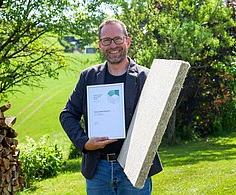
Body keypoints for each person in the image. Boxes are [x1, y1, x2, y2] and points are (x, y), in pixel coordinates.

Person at [59, 18, 163, 195]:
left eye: (118, 39)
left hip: (135, 168)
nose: (113, 45)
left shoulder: (147, 77)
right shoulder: (88, 77)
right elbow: (67, 115)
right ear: (100, 45)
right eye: (106, 40)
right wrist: (85, 143)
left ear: (127, 41)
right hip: (98, 168)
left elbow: (157, 120)